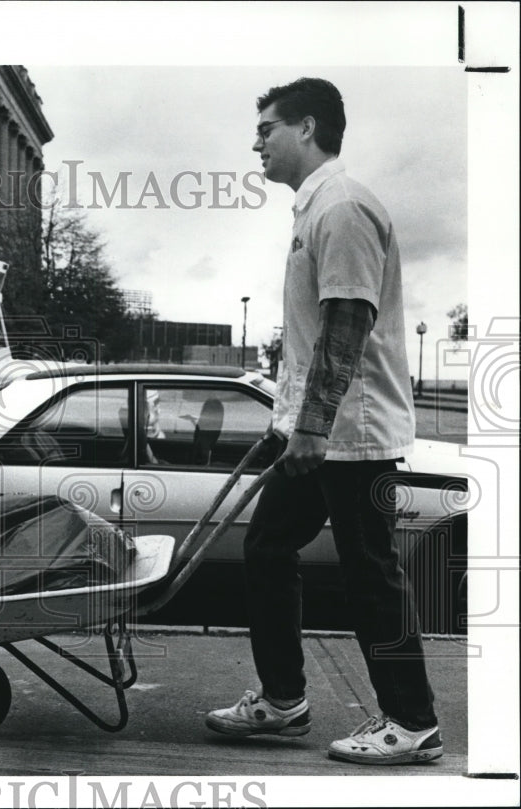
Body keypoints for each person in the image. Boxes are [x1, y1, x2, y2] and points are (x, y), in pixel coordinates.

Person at [205, 78, 442, 765]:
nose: (257, 141)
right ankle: (283, 700)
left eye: (268, 128)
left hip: (353, 436)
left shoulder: (340, 206)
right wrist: (292, 420)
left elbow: (346, 322)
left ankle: (413, 719)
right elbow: (315, 336)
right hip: (320, 431)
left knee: (371, 572)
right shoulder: (316, 208)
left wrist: (310, 427)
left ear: (307, 129)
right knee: (268, 547)